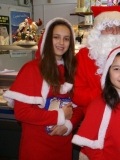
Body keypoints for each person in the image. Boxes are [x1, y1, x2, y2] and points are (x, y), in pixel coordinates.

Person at [3, 17, 83, 160]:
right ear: (47, 39)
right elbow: (21, 113)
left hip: (63, 145)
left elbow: (78, 107)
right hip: (36, 147)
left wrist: (69, 125)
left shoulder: (72, 69)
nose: (61, 43)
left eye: (66, 39)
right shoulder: (32, 69)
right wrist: (59, 115)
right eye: (56, 37)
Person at [72, 4, 120, 114]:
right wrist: (108, 94)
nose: (115, 32)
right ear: (98, 32)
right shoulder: (83, 56)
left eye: (119, 28)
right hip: (96, 115)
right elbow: (76, 93)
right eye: (109, 27)